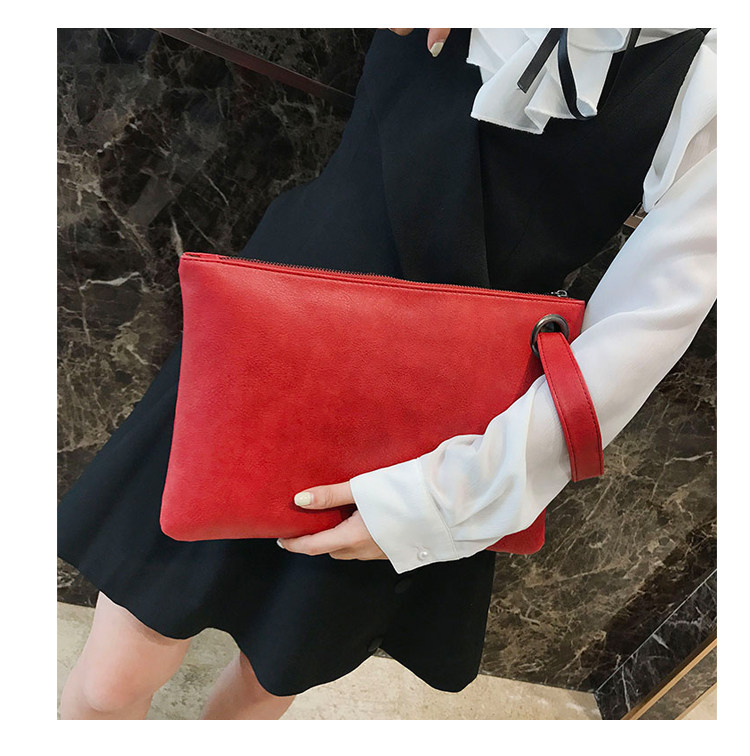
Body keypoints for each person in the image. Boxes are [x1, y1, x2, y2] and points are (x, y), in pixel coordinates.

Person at [58, 27, 717, 719]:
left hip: (431, 417)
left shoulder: (719, 72)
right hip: (276, 321)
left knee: (272, 672)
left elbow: (650, 320)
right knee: (111, 683)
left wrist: (447, 498)